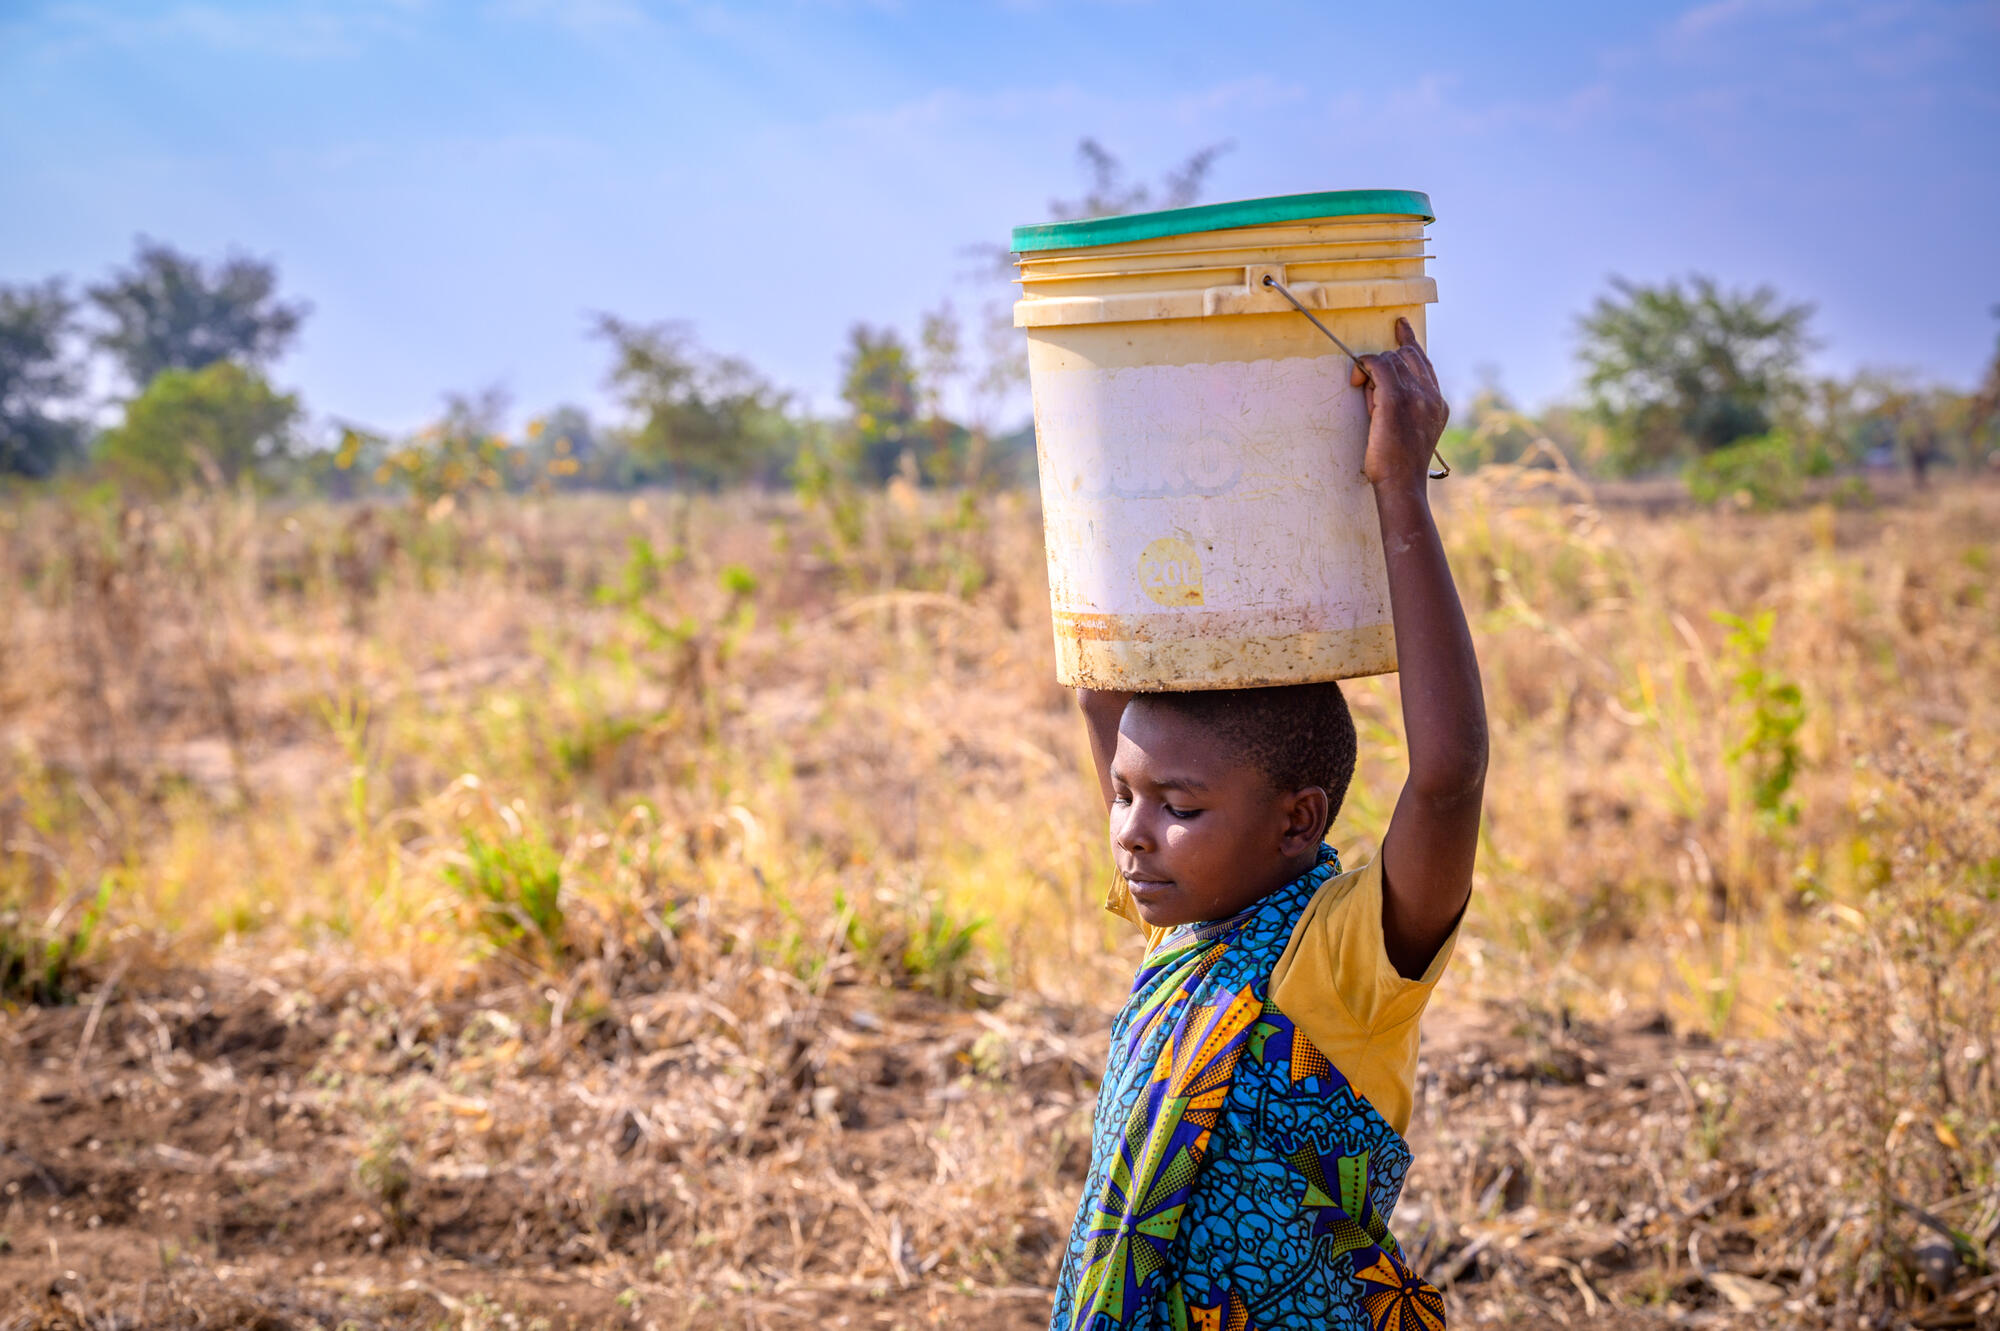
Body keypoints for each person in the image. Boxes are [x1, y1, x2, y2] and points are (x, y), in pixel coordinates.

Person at [1049, 318, 1486, 1331]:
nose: (1129, 831)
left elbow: (1448, 776)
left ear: (1297, 820)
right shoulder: (1179, 926)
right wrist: (1113, 435)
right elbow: (1097, 692)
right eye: (1123, 794)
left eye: (1178, 806)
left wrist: (1395, 489)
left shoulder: (1335, 960)